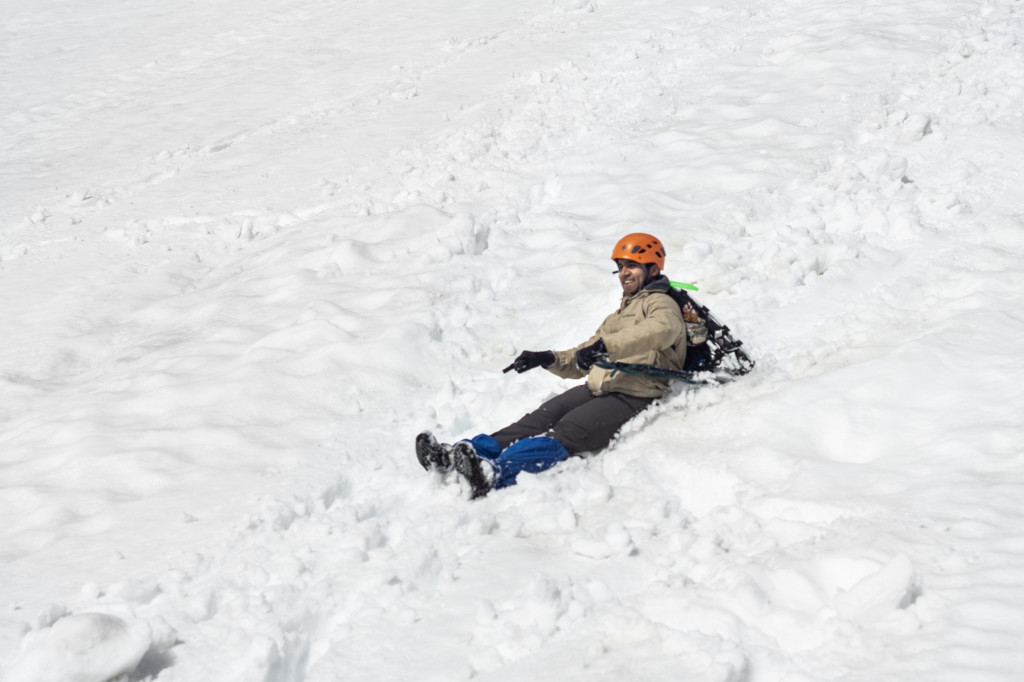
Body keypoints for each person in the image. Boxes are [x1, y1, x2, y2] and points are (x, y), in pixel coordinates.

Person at [416, 232, 688, 498]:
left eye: (631, 266)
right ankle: (463, 456)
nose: (624, 273)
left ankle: (493, 473)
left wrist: (607, 346)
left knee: (564, 433)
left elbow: (662, 329)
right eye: (620, 267)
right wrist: (549, 358)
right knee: (534, 421)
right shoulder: (618, 315)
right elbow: (584, 356)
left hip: (634, 393)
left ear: (652, 270)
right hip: (599, 386)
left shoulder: (661, 303)